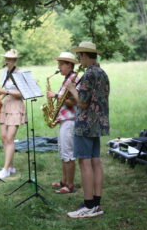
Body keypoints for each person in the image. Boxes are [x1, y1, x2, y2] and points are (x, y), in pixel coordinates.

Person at [66, 41, 110, 218]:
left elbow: (83, 103)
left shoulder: (89, 74)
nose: (79, 60)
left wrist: (71, 89)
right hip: (98, 123)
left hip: (85, 124)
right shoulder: (102, 73)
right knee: (95, 161)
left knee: (84, 162)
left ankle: (88, 205)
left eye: (79, 57)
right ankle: (96, 203)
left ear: (85, 55)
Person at [47, 52, 79, 194]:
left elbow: (73, 101)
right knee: (62, 151)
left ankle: (70, 186)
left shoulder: (74, 79)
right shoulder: (67, 78)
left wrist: (55, 95)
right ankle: (64, 181)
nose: (58, 67)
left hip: (70, 120)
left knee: (68, 153)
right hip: (64, 119)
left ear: (69, 65)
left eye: (61, 64)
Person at [0, 49, 27, 179]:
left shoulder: (21, 73)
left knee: (10, 138)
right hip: (5, 105)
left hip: (16, 105)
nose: (7, 61)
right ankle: (11, 166)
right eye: (6, 58)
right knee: (3, 137)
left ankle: (5, 169)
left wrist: (6, 92)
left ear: (15, 60)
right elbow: (3, 90)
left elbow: (23, 93)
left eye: (10, 59)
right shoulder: (3, 73)